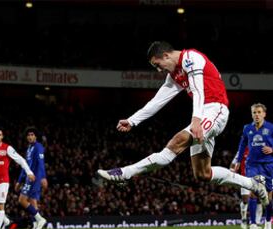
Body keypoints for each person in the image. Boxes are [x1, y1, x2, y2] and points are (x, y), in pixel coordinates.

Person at [97, 41, 269, 209]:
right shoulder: (174, 75)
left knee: (177, 141)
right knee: (203, 174)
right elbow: (157, 101)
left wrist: (196, 120)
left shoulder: (191, 58)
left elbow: (198, 90)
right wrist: (133, 120)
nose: (158, 69)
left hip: (216, 109)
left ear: (165, 56)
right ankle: (253, 184)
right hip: (202, 114)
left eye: (158, 64)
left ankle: (124, 173)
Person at [230, 103, 273, 229]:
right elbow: (242, 145)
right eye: (254, 112)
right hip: (252, 165)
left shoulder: (271, 127)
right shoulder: (247, 128)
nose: (257, 115)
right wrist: (238, 161)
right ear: (252, 114)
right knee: (252, 193)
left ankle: (267, 221)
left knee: (268, 195)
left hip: (268, 164)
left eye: (259, 112)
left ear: (264, 114)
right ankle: (253, 223)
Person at [15, 126, 48, 229]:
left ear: (36, 136)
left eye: (32, 135)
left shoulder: (38, 147)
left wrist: (43, 177)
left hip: (35, 178)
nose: (30, 137)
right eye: (28, 135)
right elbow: (25, 166)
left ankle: (40, 219)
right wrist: (19, 181)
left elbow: (41, 163)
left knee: (22, 200)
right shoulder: (29, 148)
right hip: (30, 178)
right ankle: (35, 227)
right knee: (32, 202)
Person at [231, 148, 263, 229]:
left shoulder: (258, 149)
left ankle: (256, 222)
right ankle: (244, 220)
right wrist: (232, 172)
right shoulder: (241, 151)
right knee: (245, 200)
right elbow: (233, 164)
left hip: (256, 178)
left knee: (258, 200)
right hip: (244, 178)